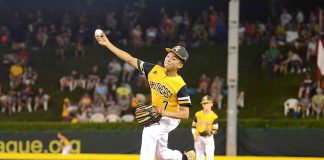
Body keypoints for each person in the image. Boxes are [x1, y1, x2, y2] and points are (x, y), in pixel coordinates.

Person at [95, 31, 195, 160]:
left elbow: (185, 114)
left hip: (170, 118)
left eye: (174, 58)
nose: (168, 59)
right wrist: (108, 44)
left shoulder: (181, 85)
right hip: (156, 114)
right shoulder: (154, 70)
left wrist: (163, 112)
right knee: (161, 154)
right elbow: (130, 59)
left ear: (180, 65)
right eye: (168, 55)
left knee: (149, 132)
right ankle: (185, 157)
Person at [192, 95, 219, 160]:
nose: (205, 105)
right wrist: (194, 135)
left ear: (211, 104)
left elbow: (215, 129)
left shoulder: (214, 116)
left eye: (207, 103)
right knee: (199, 157)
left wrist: (211, 132)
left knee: (210, 157)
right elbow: (193, 126)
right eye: (204, 103)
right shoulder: (197, 114)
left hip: (208, 138)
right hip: (198, 137)